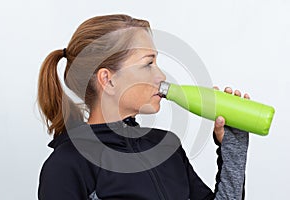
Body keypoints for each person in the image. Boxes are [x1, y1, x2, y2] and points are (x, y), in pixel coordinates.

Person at [37, 14, 250, 200]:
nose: (161, 76)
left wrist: (233, 144)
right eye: (148, 63)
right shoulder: (67, 165)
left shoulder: (167, 146)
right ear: (108, 80)